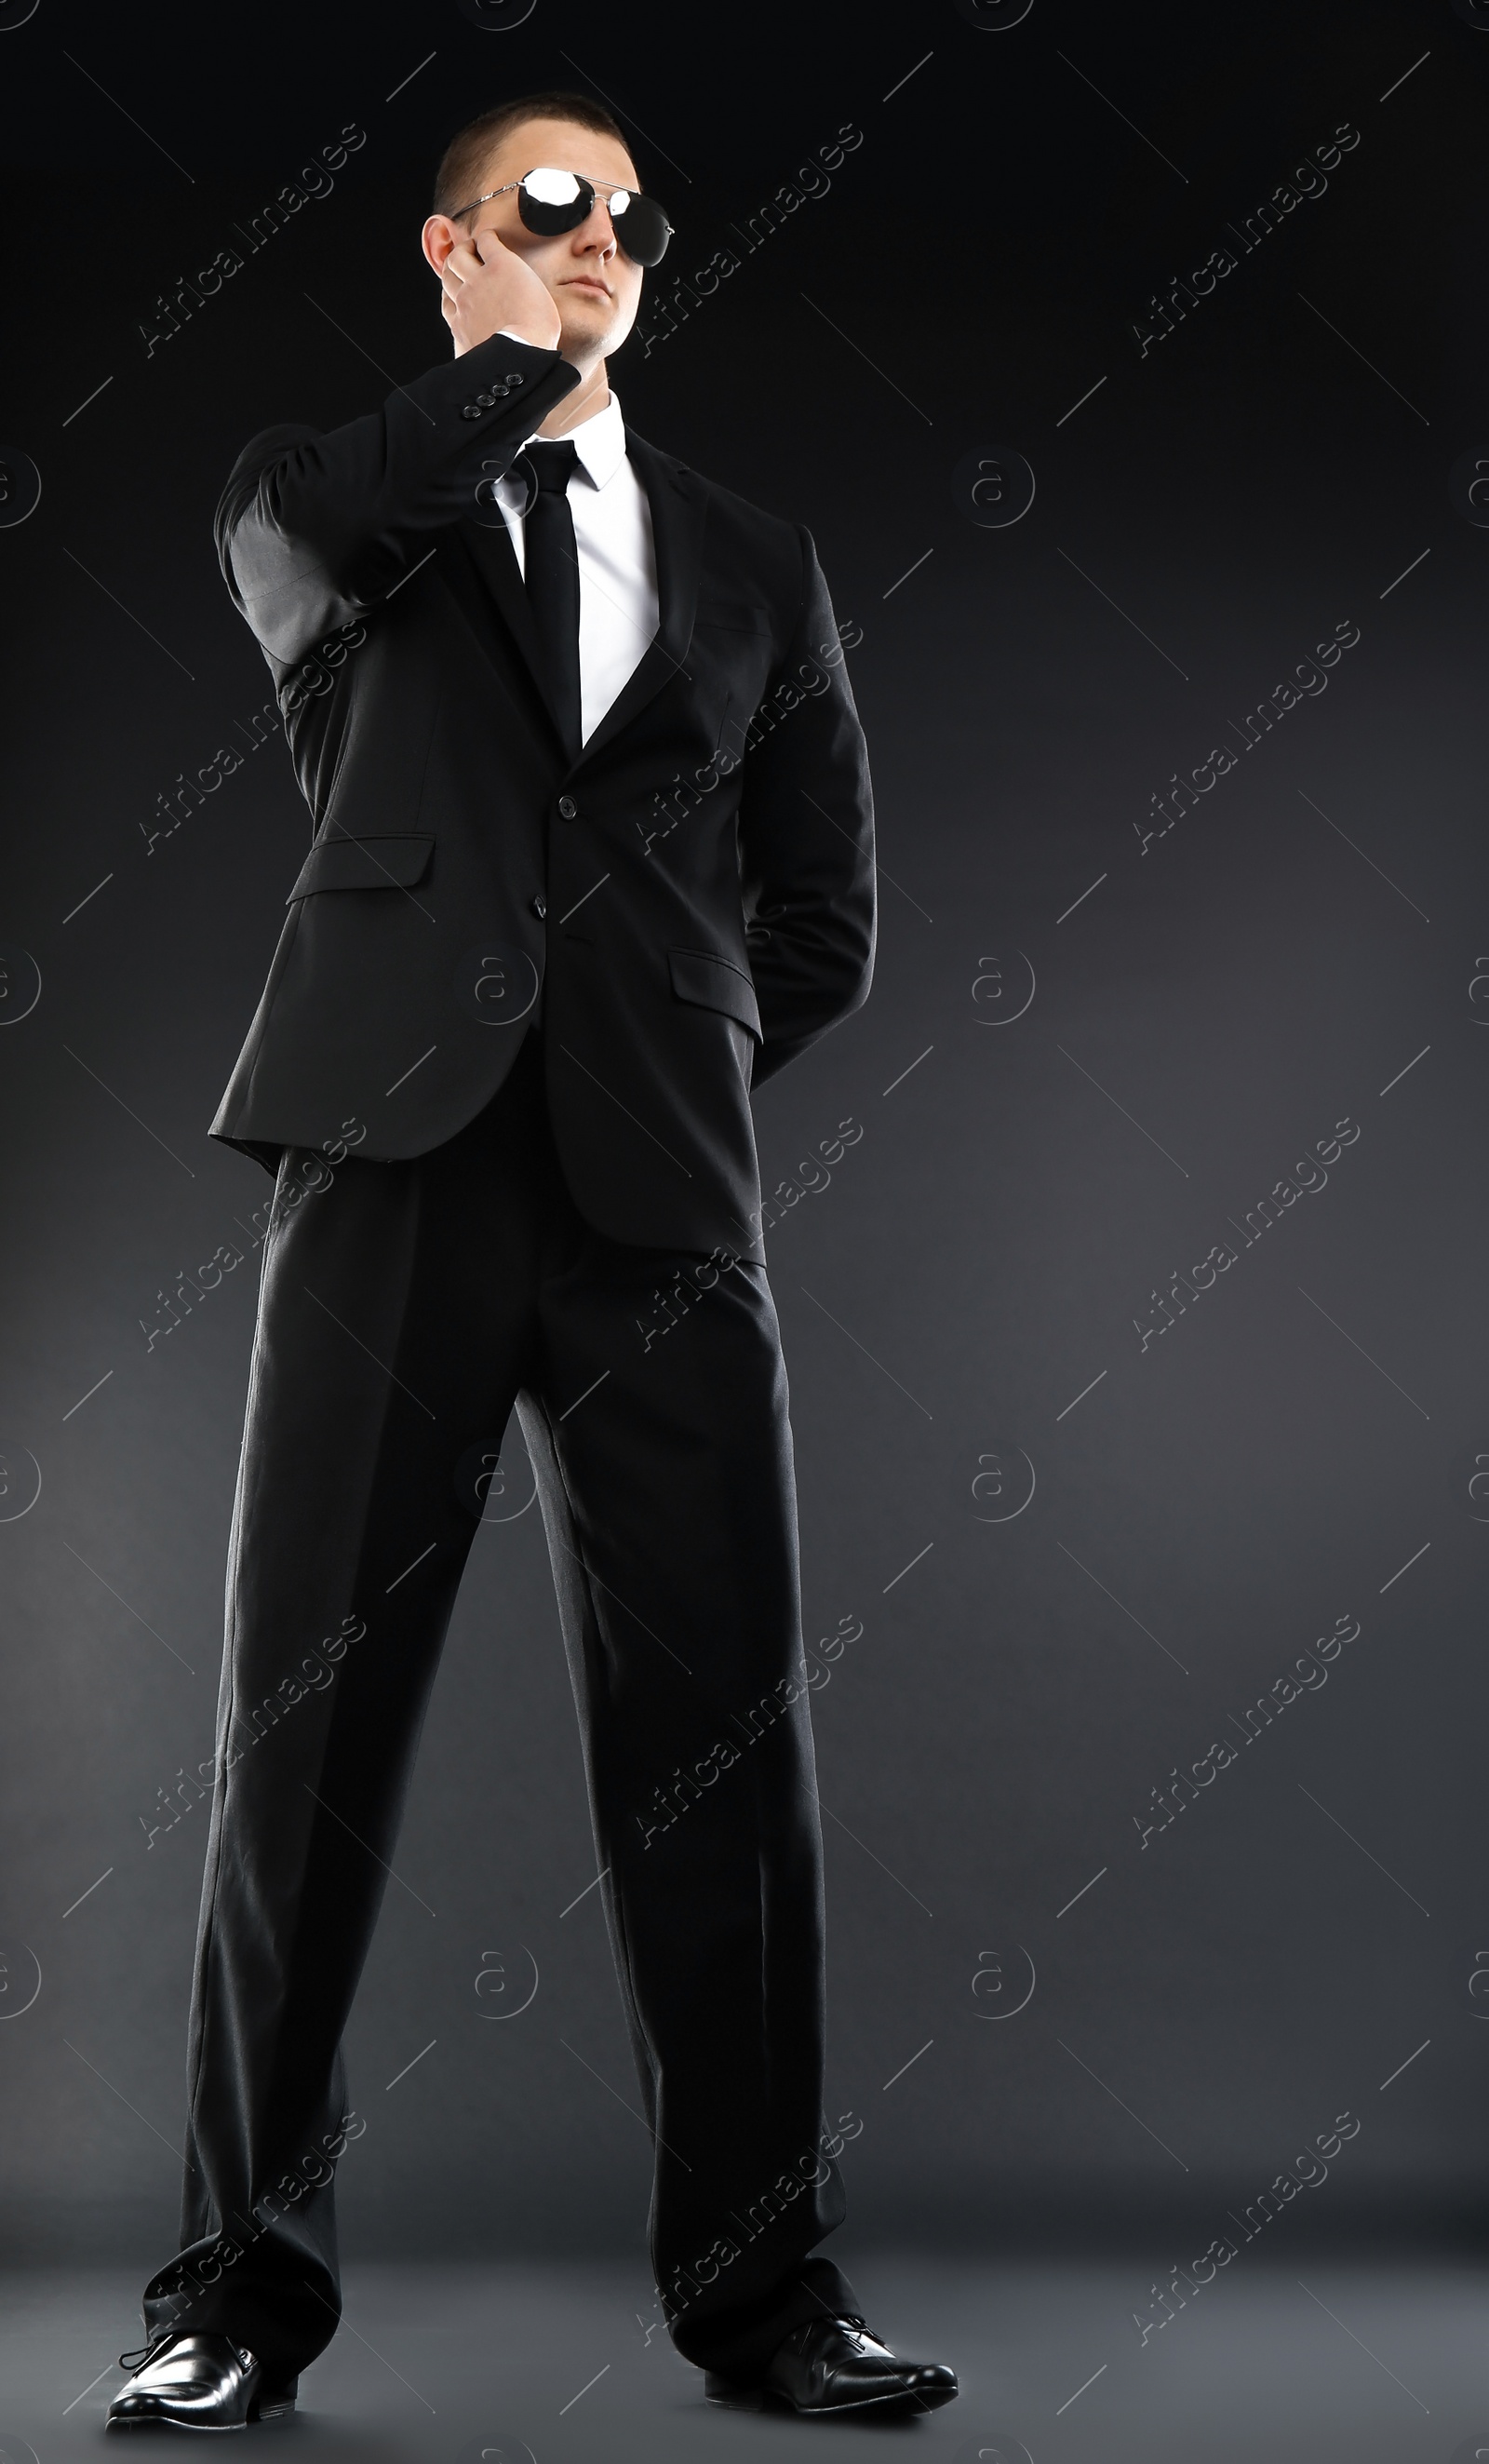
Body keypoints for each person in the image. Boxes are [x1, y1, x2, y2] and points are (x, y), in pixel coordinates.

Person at [106, 88, 957, 2431]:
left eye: (627, 224)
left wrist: (658, 1053)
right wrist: (514, 357)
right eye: (544, 212)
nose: (596, 247)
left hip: (655, 1198)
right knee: (305, 1739)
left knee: (722, 1753)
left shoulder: (755, 554)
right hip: (386, 1169)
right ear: (447, 249)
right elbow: (326, 531)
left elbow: (824, 919)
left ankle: (770, 2298)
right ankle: (230, 2296)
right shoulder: (324, 498)